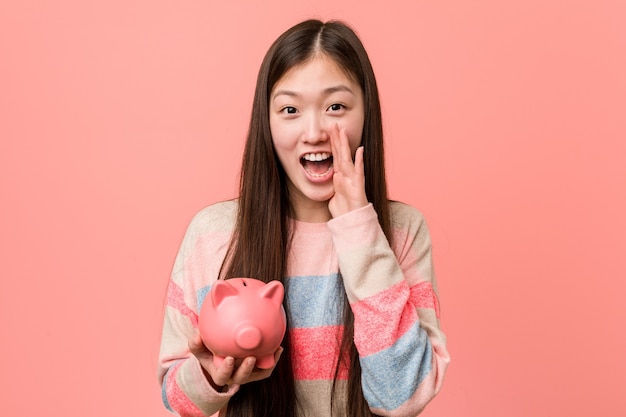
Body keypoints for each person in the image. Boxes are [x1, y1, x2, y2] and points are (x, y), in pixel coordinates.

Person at [158, 19, 450, 417]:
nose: (313, 132)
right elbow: (176, 399)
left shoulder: (401, 231)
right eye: (290, 110)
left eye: (336, 107)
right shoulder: (214, 234)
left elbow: (402, 396)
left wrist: (359, 229)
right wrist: (212, 377)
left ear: (366, 114)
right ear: (268, 120)